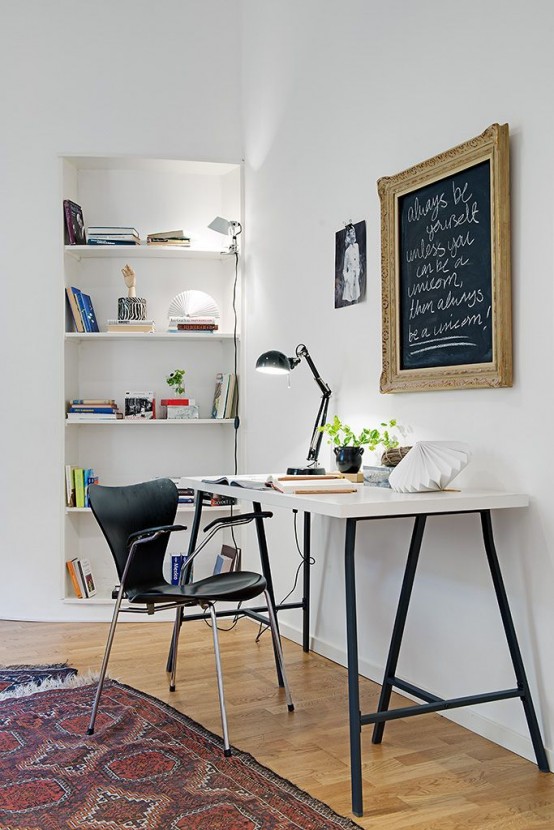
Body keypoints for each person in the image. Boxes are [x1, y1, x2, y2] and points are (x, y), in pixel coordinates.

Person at [342, 223, 361, 304]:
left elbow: (358, 261)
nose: (353, 235)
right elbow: (344, 268)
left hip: (356, 274)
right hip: (350, 277)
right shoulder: (347, 251)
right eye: (351, 233)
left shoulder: (357, 246)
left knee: (357, 295)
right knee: (350, 297)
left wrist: (358, 271)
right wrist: (347, 278)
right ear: (348, 236)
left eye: (354, 232)